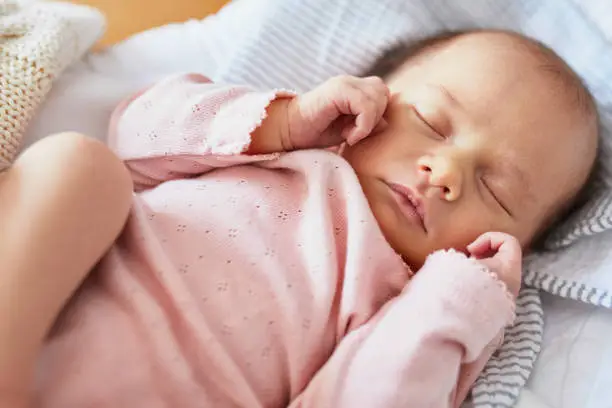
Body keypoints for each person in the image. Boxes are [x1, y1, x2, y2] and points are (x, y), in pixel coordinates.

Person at [3, 29, 599, 407]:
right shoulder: (282, 147)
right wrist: (284, 121)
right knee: (80, 166)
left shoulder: (406, 305)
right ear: (369, 96)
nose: (444, 171)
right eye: (432, 121)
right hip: (51, 297)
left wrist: (461, 301)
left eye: (496, 191)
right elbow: (136, 133)